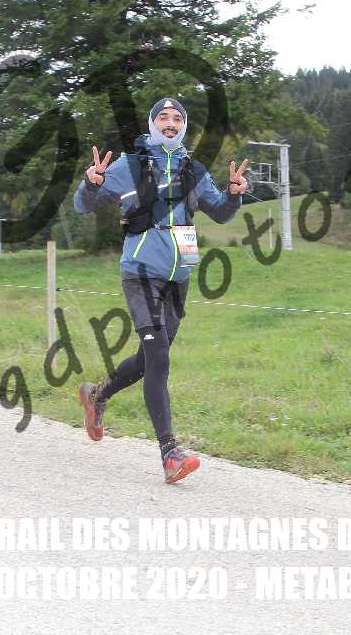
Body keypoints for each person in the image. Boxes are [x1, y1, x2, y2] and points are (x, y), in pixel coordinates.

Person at [72, 96, 249, 483]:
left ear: (183, 126)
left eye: (177, 119)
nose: (170, 123)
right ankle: (170, 453)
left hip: (178, 276)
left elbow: (219, 211)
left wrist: (235, 194)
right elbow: (82, 206)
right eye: (163, 117)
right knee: (159, 357)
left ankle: (97, 395)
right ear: (153, 124)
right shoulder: (130, 165)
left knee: (150, 357)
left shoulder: (193, 170)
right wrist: (90, 184)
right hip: (140, 273)